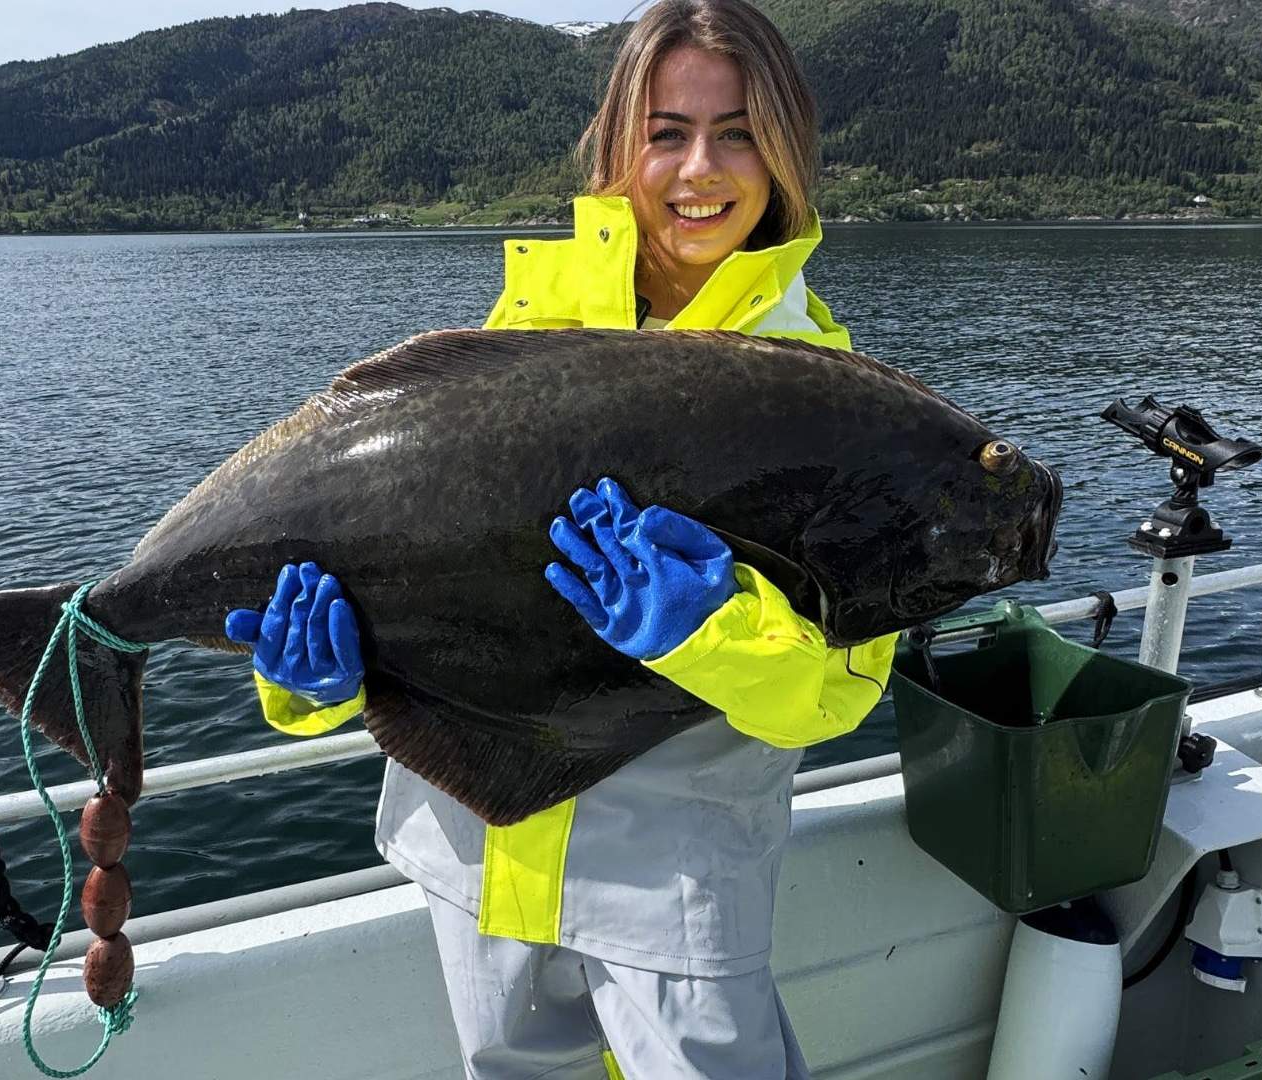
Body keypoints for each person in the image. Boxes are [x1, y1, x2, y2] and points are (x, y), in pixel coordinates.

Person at [223, 3, 897, 1076]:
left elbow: (839, 691)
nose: (699, 170)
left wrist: (708, 631)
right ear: (618, 141)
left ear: (786, 149)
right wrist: (316, 685)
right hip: (475, 853)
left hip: (671, 880)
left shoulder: (819, 383)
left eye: (738, 133)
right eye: (667, 131)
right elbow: (446, 585)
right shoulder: (525, 326)